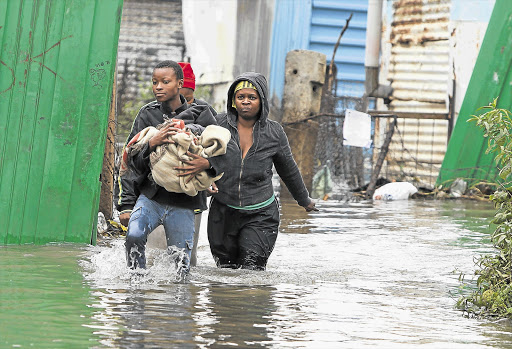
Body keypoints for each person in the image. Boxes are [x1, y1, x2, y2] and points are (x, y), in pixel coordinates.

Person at [203, 72, 318, 271]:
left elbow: (288, 169)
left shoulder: (274, 132)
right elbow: (201, 154)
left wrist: (304, 200)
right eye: (241, 97)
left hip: (261, 213)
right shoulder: (218, 125)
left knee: (252, 271)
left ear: (262, 101)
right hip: (223, 211)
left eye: (252, 97)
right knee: (225, 272)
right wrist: (205, 180)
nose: (246, 102)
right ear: (233, 101)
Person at [114, 60, 217, 277]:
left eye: (165, 82)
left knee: (181, 265)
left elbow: (225, 153)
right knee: (134, 236)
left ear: (179, 84)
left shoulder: (202, 113)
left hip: (185, 201)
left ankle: (177, 306)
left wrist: (208, 167)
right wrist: (126, 205)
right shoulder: (147, 115)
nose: (158, 87)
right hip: (151, 196)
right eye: (155, 82)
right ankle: (137, 288)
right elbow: (130, 162)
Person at [177, 61, 218, 266]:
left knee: (188, 254)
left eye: (188, 94)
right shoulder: (154, 110)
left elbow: (220, 149)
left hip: (194, 192)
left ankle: (188, 294)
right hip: (158, 192)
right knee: (156, 252)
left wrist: (212, 174)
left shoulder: (205, 112)